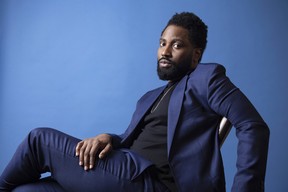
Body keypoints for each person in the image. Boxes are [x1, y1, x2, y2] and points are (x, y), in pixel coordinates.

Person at [0, 12, 269, 192]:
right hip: (121, 167)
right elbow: (132, 139)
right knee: (27, 190)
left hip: (150, 181)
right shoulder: (149, 97)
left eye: (176, 45)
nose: (165, 50)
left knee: (38, 140)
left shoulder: (205, 77)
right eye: (162, 42)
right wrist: (108, 137)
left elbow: (252, 125)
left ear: (196, 55)